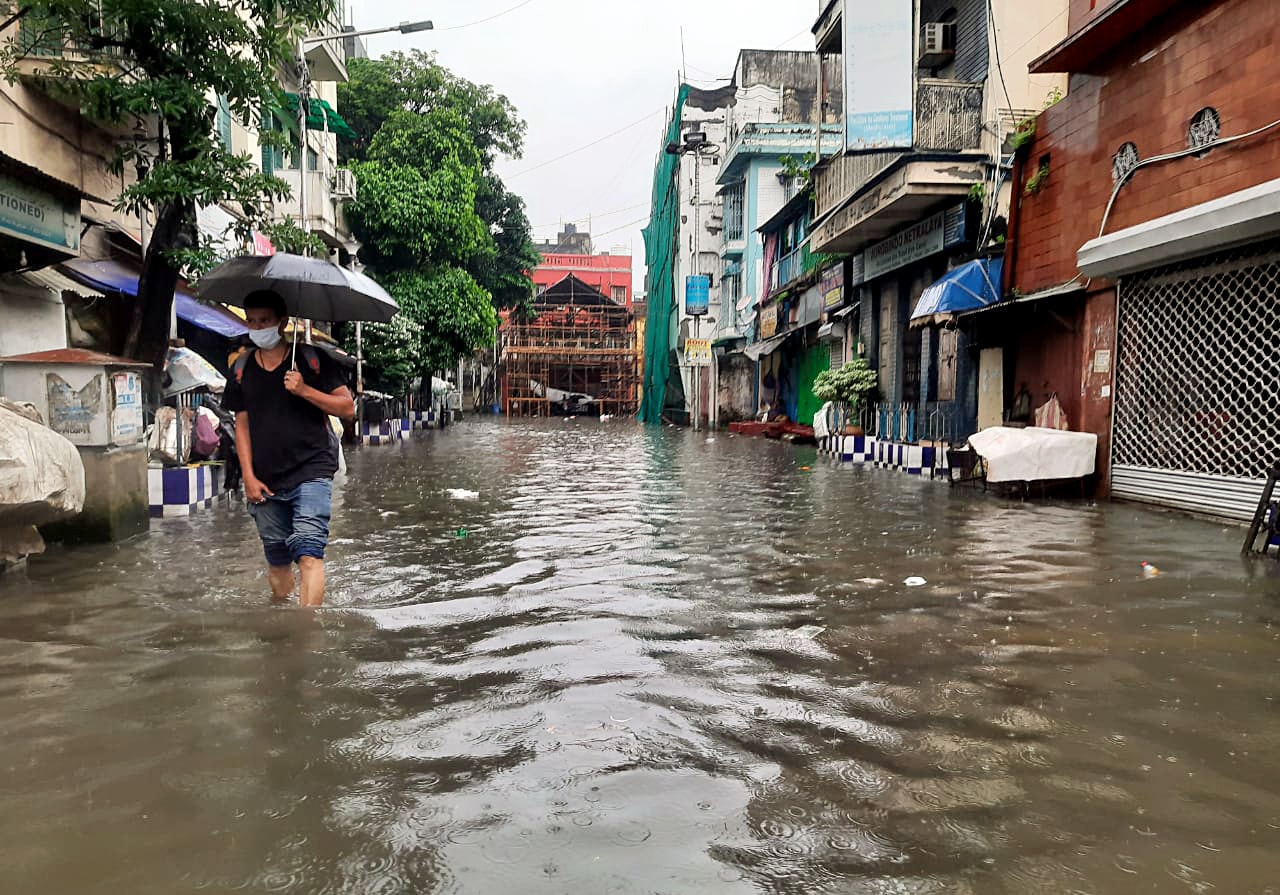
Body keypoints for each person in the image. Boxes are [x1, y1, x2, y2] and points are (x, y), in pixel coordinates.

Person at [222, 291, 354, 606]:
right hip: (266, 478)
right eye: (251, 321)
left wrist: (304, 389)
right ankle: (284, 624)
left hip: (312, 469)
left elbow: (347, 408)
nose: (257, 327)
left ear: (282, 323)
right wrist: (248, 478)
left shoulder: (312, 360)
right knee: (278, 559)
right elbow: (241, 426)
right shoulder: (241, 369)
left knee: (309, 552)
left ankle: (307, 636)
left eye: (264, 321)